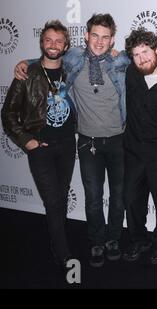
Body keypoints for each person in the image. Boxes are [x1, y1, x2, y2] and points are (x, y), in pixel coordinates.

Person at [13, 13, 157, 268]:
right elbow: (49, 59)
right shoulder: (74, 58)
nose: (99, 42)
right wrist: (25, 62)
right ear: (86, 36)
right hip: (88, 143)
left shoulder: (120, 60)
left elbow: (146, 59)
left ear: (112, 40)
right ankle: (97, 241)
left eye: (105, 37)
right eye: (95, 36)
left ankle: (113, 239)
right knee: (93, 196)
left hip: (120, 141)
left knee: (121, 196)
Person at [1, 20, 76, 270]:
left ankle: (58, 239)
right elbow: (8, 113)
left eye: (58, 41)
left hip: (66, 146)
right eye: (48, 40)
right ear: (42, 43)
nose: (53, 45)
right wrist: (27, 141)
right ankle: (63, 252)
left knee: (61, 197)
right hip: (40, 148)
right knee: (53, 200)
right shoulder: (27, 74)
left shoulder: (72, 70)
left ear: (65, 46)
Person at [121, 28, 157, 264]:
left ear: (156, 50)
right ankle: (137, 240)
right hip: (132, 149)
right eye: (136, 54)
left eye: (146, 52)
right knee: (131, 198)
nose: (142, 58)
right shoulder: (130, 72)